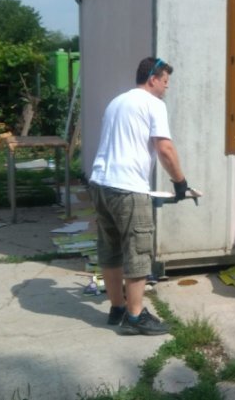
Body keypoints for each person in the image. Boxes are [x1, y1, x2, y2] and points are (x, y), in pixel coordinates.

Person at [89, 56, 189, 336]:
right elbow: (165, 148)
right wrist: (180, 182)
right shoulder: (153, 104)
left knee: (111, 250)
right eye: (165, 82)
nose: (167, 88)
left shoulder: (117, 101)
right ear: (153, 79)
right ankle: (135, 317)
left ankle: (118, 308)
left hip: (100, 184)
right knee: (138, 251)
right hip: (128, 188)